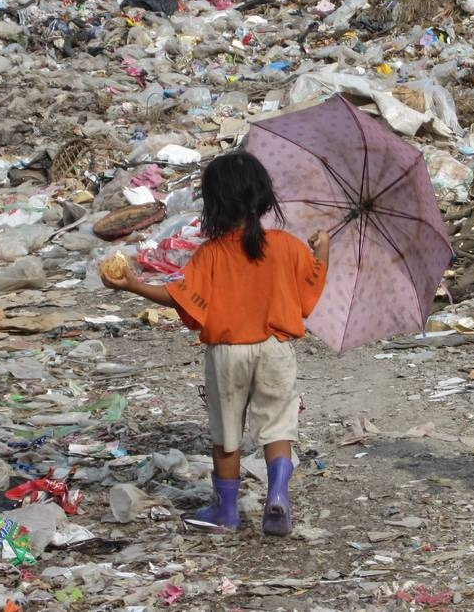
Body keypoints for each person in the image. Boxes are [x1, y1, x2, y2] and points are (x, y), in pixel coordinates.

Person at [101, 150, 329, 536]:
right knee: (278, 429)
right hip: (276, 350)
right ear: (263, 198)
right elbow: (310, 293)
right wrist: (321, 249)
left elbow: (180, 299)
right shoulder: (289, 246)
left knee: (226, 435)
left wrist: (134, 284)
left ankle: (226, 512)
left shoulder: (210, 254)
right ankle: (278, 495)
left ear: (214, 203)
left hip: (227, 353)